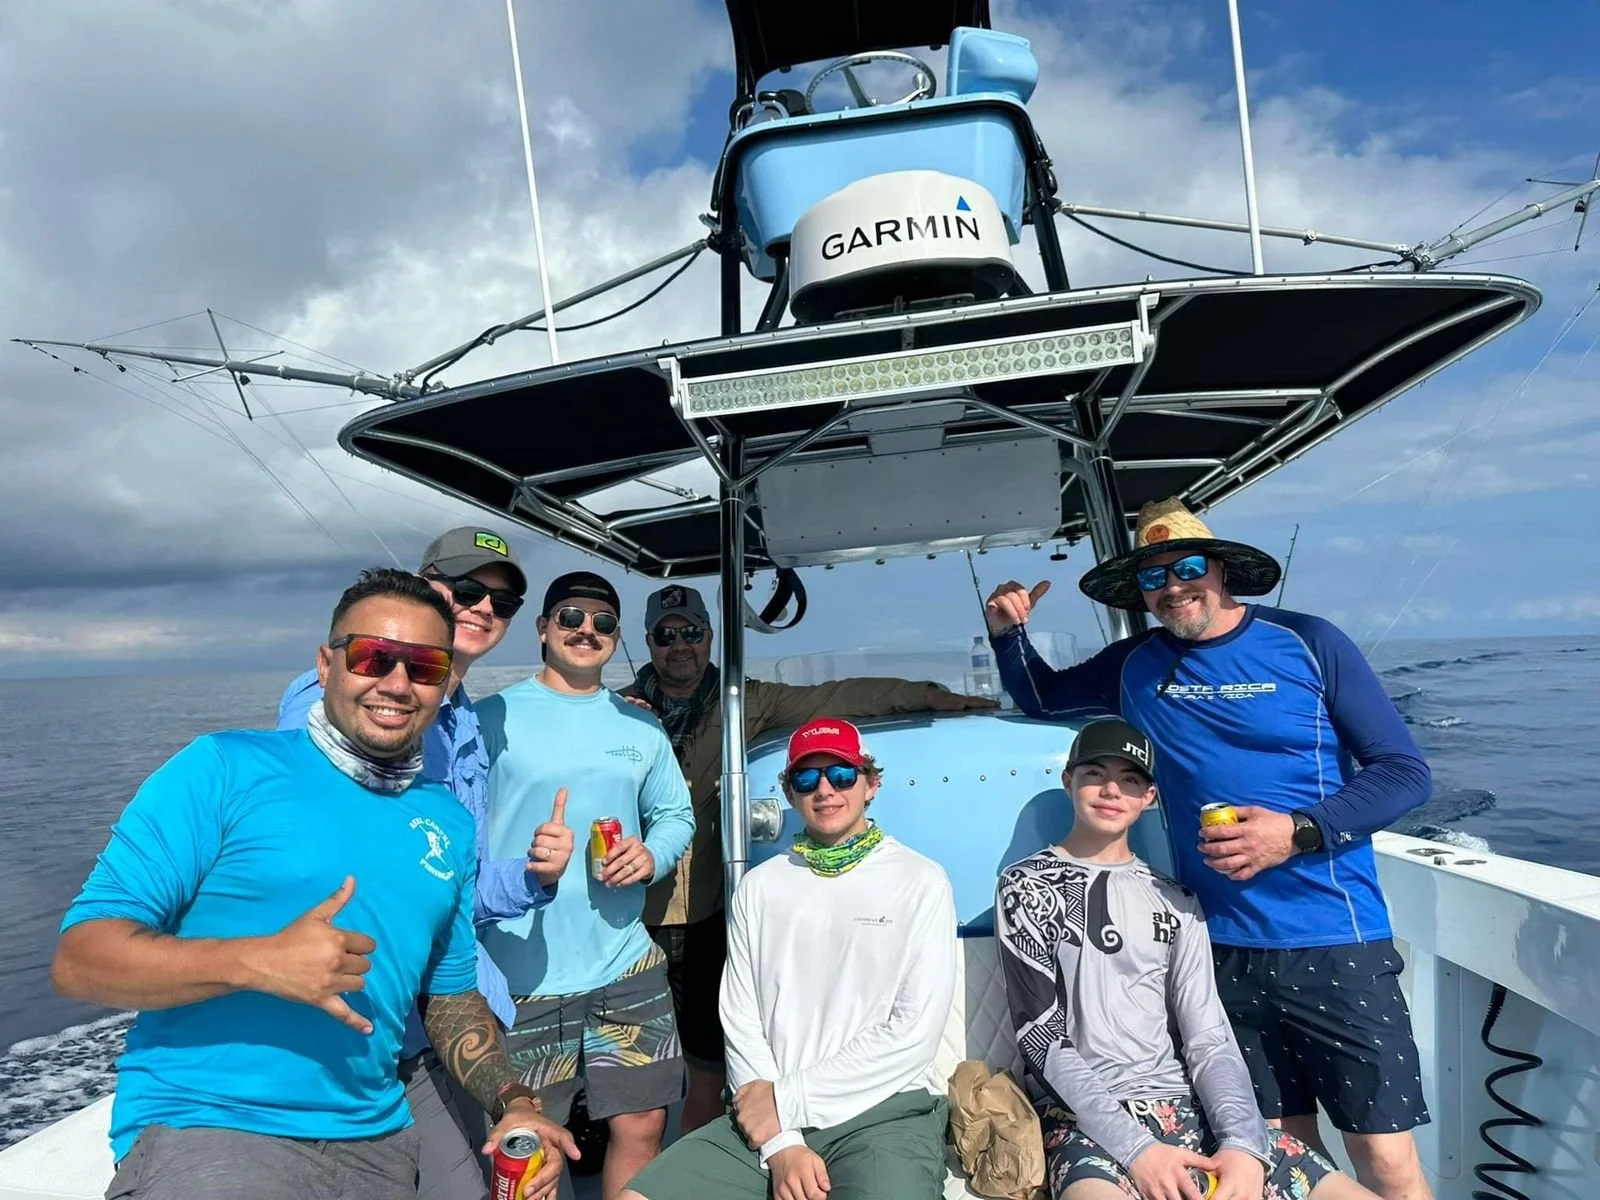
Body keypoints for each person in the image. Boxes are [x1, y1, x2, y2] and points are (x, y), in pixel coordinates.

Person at [53, 568, 576, 1200]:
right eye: (373, 657)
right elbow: (80, 960)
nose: (397, 683)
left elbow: (450, 994)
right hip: (214, 1127)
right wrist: (255, 961)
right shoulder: (224, 767)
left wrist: (515, 1099)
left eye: (424, 667)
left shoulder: (447, 821)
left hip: (378, 1132)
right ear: (325, 665)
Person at [984, 498, 1434, 1200]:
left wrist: (1297, 831)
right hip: (1217, 951)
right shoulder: (1135, 663)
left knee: (1386, 1158)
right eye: (1153, 579)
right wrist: (1008, 635)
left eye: (1188, 568)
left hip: (1334, 940)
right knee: (1278, 1151)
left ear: (1222, 571)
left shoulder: (1310, 642)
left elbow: (1405, 773)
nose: (1172, 588)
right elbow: (1043, 696)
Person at [619, 582, 994, 1131]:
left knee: (703, 1067)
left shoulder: (743, 699)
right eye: (667, 634)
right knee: (639, 1092)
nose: (681, 645)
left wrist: (933, 694)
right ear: (649, 641)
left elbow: (837, 696)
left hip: (704, 914)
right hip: (631, 917)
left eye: (692, 633)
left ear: (709, 637)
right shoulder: (617, 712)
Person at [279, 527, 574, 1199]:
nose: (480, 609)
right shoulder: (344, 704)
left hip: (446, 1019)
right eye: (464, 590)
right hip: (358, 1030)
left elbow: (449, 883)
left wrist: (534, 877)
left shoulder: (461, 716)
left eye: (501, 603)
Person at [996, 717, 1381, 1200]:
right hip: (1083, 1124)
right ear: (1069, 781)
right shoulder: (1025, 884)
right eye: (1095, 773)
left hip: (1187, 1112)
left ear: (1148, 798)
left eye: (1130, 779)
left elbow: (1209, 1039)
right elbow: (1041, 1035)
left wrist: (1242, 1145)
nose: (1112, 789)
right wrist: (1138, 1151)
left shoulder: (1177, 899)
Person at [617, 717, 958, 1200]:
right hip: (766, 1117)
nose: (825, 790)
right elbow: (741, 1020)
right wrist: (780, 1142)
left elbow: (913, 1034)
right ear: (790, 792)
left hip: (884, 1112)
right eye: (806, 778)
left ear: (871, 784)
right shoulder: (760, 886)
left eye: (841, 775)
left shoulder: (921, 881)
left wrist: (785, 1100)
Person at [476, 571, 695, 1200]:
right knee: (530, 1148)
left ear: (617, 638)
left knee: (646, 1123)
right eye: (570, 617)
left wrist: (650, 854)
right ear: (542, 629)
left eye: (603, 623)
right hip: (520, 979)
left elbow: (676, 815)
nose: (586, 631)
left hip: (626, 966)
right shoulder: (492, 719)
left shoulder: (639, 726)